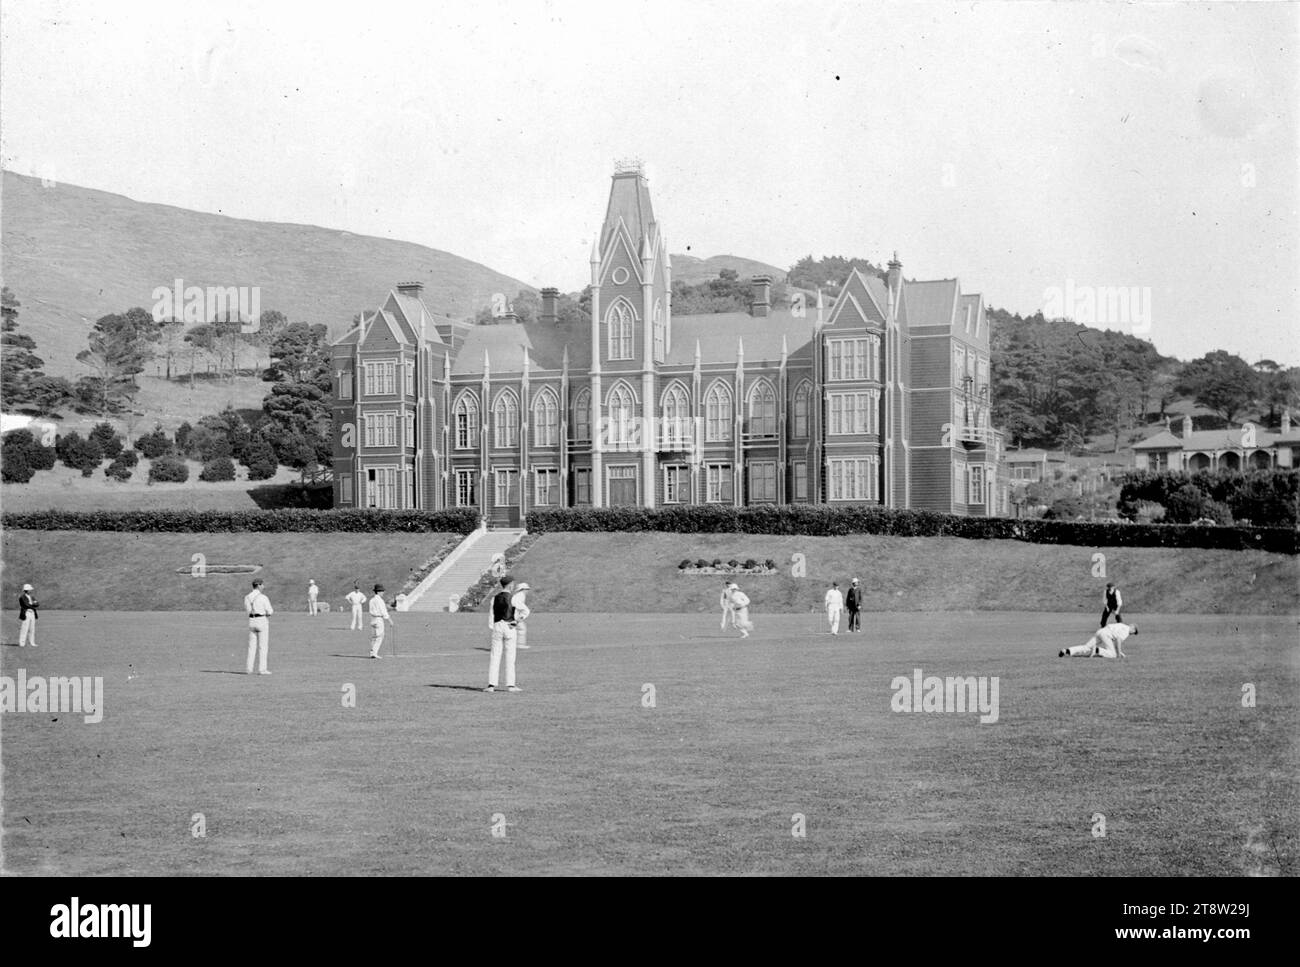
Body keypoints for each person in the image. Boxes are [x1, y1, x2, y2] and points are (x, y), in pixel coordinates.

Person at [486, 575, 521, 692]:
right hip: (509, 626)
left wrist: (494, 627)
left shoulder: (494, 598)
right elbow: (525, 611)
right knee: (510, 656)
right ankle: (511, 685)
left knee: (495, 656)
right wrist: (517, 621)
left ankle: (491, 685)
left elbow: (491, 615)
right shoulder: (514, 598)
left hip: (497, 626)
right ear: (510, 584)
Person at [243, 579, 273, 675]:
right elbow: (270, 611)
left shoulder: (247, 597)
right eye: (262, 585)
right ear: (259, 585)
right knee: (263, 646)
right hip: (262, 621)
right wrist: (267, 614)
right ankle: (262, 669)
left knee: (251, 646)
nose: (263, 586)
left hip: (252, 621)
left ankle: (249, 669)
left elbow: (248, 610)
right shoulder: (263, 597)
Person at [1060, 622, 1138, 659]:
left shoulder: (1121, 625)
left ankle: (1067, 651)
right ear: (1133, 628)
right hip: (1106, 635)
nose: (1132, 634)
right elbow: (1118, 641)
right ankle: (1097, 650)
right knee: (1113, 655)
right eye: (1134, 632)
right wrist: (1118, 655)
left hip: (1101, 631)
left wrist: (1120, 652)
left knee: (1086, 647)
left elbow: (1113, 643)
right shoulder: (1126, 631)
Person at [368, 583, 393, 658]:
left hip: (372, 619)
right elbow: (383, 611)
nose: (383, 593)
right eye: (382, 591)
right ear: (378, 592)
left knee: (374, 636)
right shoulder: (379, 600)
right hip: (378, 619)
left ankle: (372, 652)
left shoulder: (372, 600)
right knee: (380, 636)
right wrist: (389, 620)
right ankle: (374, 653)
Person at [18, 583, 39, 648]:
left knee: (32, 628)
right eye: (30, 589)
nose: (31, 591)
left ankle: (32, 642)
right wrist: (33, 604)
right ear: (27, 590)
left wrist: (33, 604)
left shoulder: (32, 597)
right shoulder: (22, 597)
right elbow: (26, 605)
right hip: (26, 613)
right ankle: (22, 643)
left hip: (32, 613)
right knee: (24, 628)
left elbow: (37, 604)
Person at [514, 582, 532, 649]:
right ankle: (520, 644)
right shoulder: (521, 595)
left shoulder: (518, 595)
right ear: (522, 589)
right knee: (521, 628)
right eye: (526, 589)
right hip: (515, 616)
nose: (527, 591)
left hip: (513, 615)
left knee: (511, 628)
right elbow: (518, 606)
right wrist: (521, 616)